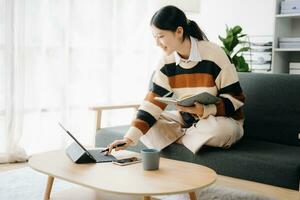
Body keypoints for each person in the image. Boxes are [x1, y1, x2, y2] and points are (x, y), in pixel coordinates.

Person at [107, 5, 245, 154]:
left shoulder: (214, 54)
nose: (157, 43)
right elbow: (153, 102)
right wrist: (128, 139)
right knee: (145, 123)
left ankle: (176, 137)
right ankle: (193, 139)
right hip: (188, 121)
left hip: (220, 121)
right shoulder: (166, 61)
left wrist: (205, 110)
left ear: (179, 31)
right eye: (155, 37)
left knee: (223, 131)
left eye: (161, 36)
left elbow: (236, 98)